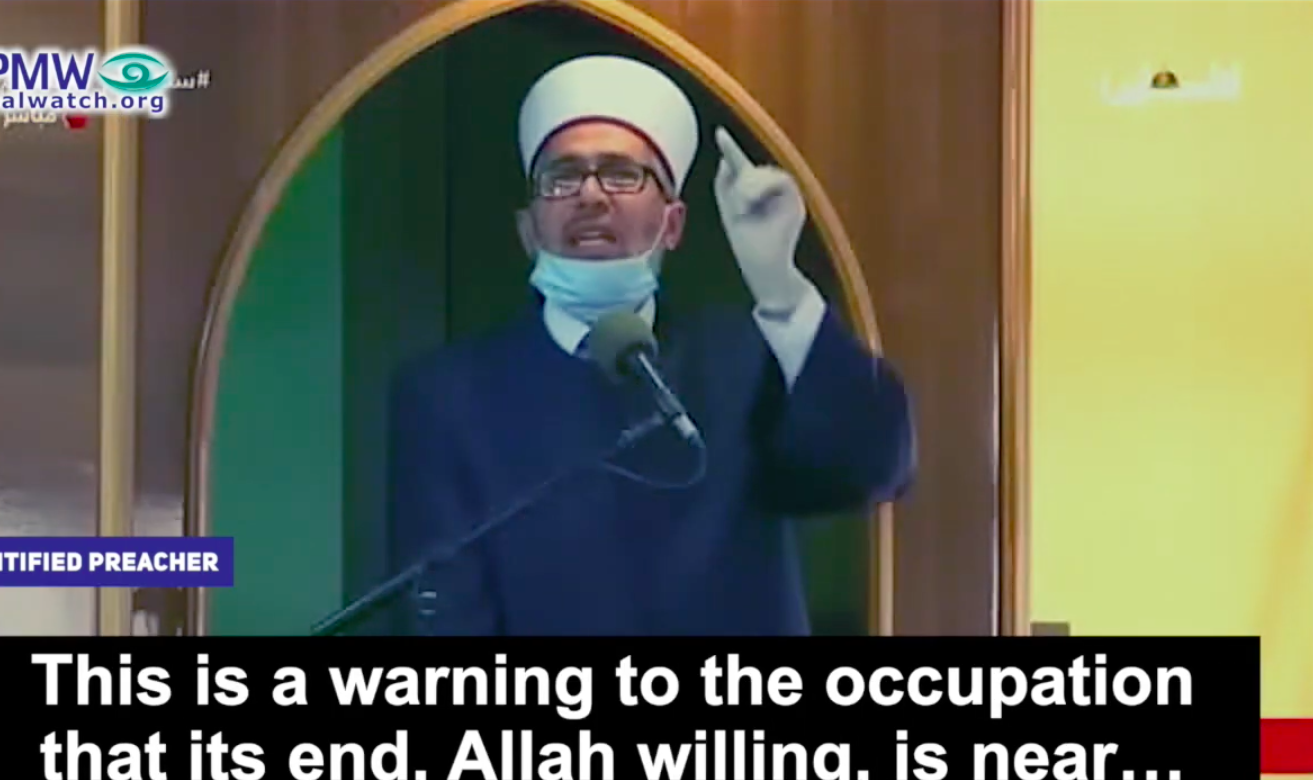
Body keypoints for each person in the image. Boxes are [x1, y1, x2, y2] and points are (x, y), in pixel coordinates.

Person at [383, 54, 914, 636]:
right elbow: (444, 613)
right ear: (528, 230)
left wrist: (780, 285)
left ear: (673, 223)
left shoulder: (745, 359)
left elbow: (873, 466)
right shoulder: (447, 396)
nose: (590, 194)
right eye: (562, 177)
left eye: (620, 174)